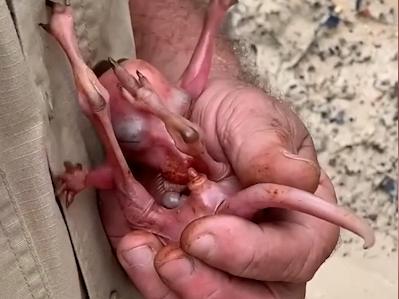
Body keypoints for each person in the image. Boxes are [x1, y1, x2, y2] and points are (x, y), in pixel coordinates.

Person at [0, 0, 339, 298]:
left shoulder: (183, 110)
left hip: (179, 229)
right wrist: (86, 178)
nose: (166, 139)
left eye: (169, 101)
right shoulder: (138, 168)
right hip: (158, 232)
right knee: (134, 193)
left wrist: (221, 83)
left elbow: (191, 80)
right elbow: (115, 174)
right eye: (133, 136)